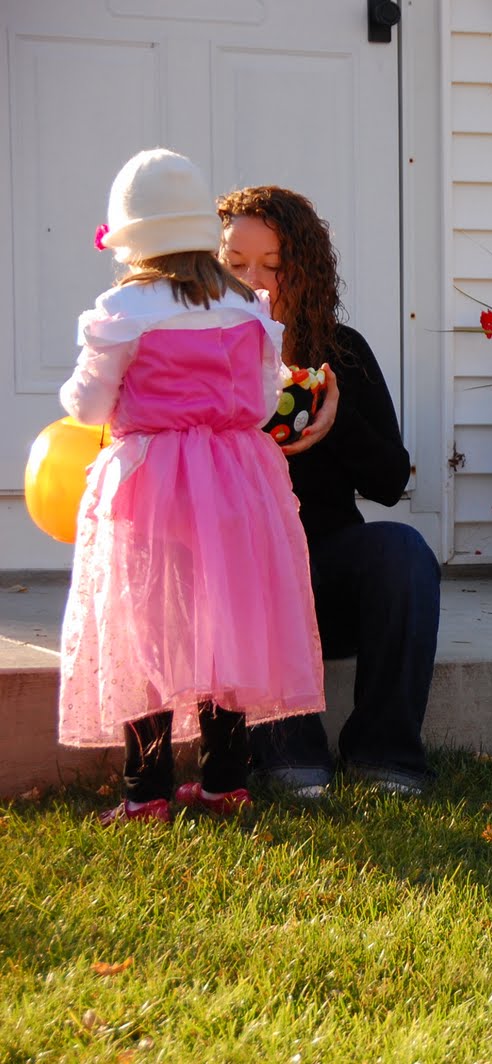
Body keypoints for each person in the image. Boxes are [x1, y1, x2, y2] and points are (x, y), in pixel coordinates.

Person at [57, 148, 326, 824]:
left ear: (130, 240)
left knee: (146, 625)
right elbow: (264, 403)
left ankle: (145, 791)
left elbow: (88, 407)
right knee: (224, 623)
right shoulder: (246, 306)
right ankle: (224, 780)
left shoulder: (124, 308)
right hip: (237, 482)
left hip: (153, 485)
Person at [216, 185, 440, 797]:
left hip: (328, 573)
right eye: (236, 266)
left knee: (405, 551)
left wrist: (334, 421)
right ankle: (290, 755)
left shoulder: (341, 352)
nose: (256, 285)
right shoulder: (195, 358)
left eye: (274, 267)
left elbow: (391, 482)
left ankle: (384, 753)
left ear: (305, 272)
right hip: (246, 582)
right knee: (255, 557)